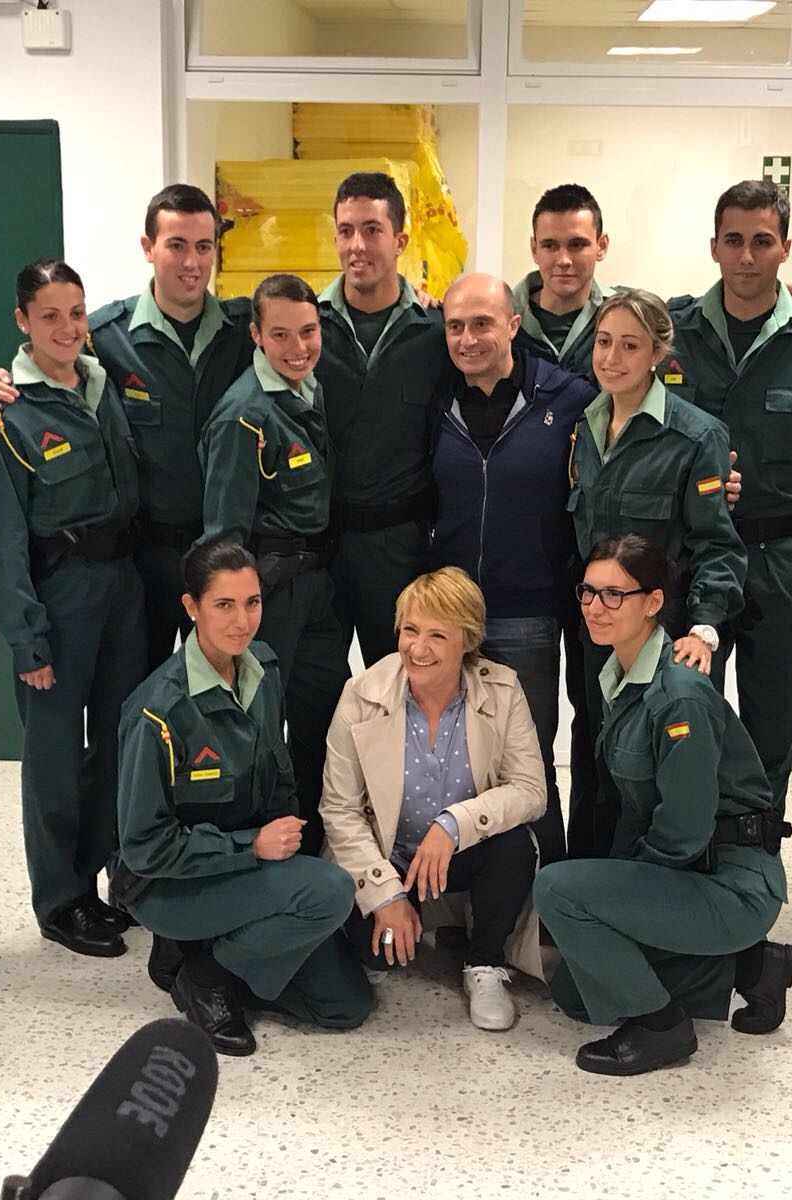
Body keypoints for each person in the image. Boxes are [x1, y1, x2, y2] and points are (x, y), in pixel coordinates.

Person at [535, 536, 792, 1076]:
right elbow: (638, 807)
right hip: (694, 873)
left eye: (614, 595)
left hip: (731, 883)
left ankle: (661, 1028)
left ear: (653, 602)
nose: (594, 608)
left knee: (556, 889)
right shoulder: (621, 677)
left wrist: (624, 906)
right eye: (587, 592)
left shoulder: (678, 696)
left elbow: (683, 829)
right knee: (576, 993)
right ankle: (753, 966)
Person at [113, 542, 371, 1056]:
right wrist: (252, 846)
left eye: (251, 603)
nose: (242, 621)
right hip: (167, 886)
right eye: (223, 605)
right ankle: (205, 976)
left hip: (241, 872)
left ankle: (206, 951)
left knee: (345, 1006)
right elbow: (144, 848)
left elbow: (278, 776)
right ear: (191, 607)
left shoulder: (264, 670)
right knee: (329, 892)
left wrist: (282, 847)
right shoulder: (157, 713)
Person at [0, 185, 255, 663]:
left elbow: (304, 334)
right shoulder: (105, 337)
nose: (191, 262)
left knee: (221, 697)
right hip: (142, 559)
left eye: (203, 246)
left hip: (223, 557)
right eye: (176, 245)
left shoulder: (245, 332)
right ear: (148, 248)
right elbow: (52, 369)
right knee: (138, 702)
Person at [668, 180, 792, 816]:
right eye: (734, 241)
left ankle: (757, 856)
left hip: (777, 560)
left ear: (784, 249)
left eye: (761, 241)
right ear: (714, 247)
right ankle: (690, 855)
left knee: (771, 722)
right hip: (689, 557)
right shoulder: (672, 332)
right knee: (685, 713)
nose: (746, 256)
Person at [0, 258, 147, 960]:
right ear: (22, 321)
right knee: (52, 757)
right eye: (49, 316)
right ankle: (58, 899)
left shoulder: (100, 381)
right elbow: (5, 537)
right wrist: (27, 639)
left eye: (75, 313)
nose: (67, 328)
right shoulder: (6, 409)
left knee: (114, 745)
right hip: (58, 595)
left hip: (121, 588)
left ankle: (101, 879)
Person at [322, 567, 546, 1031]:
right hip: (391, 858)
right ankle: (409, 914)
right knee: (377, 959)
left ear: (468, 639)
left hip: (462, 852)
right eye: (410, 630)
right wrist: (385, 892)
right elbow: (339, 809)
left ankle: (483, 963)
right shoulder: (361, 695)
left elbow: (530, 790)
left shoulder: (502, 689)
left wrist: (453, 824)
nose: (417, 649)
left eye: (437, 636)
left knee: (515, 846)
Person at [566, 288, 746, 856]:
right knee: (593, 758)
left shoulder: (696, 436)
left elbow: (717, 544)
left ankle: (656, 899)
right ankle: (584, 890)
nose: (611, 358)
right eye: (602, 342)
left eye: (629, 345)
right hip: (597, 627)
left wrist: (706, 627)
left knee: (648, 775)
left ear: (658, 354)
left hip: (658, 636)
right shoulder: (586, 425)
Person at [428, 273, 596, 864]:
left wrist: (711, 471)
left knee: (528, 760)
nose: (468, 339)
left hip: (527, 612)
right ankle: (472, 902)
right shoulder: (434, 395)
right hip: (448, 618)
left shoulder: (566, 397)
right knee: (454, 758)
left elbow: (636, 415)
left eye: (482, 324)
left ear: (513, 325)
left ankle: (544, 894)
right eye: (455, 326)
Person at [199, 273, 347, 857]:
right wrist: (233, 620)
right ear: (256, 335)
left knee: (322, 724)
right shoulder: (244, 416)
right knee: (261, 735)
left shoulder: (309, 389)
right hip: (267, 597)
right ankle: (261, 856)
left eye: (308, 332)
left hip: (315, 589)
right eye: (281, 335)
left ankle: (312, 852)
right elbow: (223, 535)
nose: (298, 347)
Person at [318, 171, 451, 665]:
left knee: (399, 680)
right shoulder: (308, 329)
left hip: (400, 546)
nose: (357, 245)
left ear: (400, 240)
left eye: (372, 230)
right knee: (314, 694)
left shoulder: (434, 333)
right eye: (346, 230)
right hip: (319, 547)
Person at [511, 183, 617, 383]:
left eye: (577, 245)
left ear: (601, 246)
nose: (563, 260)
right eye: (550, 245)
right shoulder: (498, 317)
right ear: (534, 249)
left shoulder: (629, 319)